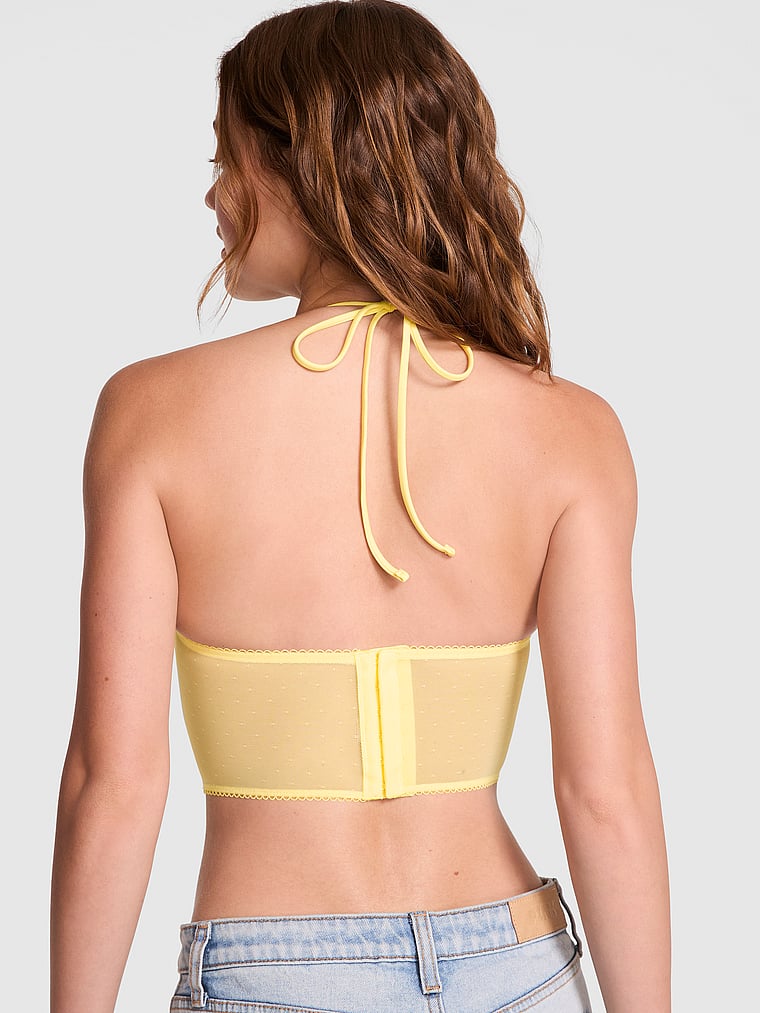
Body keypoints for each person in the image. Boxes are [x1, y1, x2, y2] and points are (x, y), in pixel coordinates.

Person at [49, 1, 671, 1010]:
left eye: (227, 156)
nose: (213, 193)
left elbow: (111, 785)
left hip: (272, 968)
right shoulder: (573, 429)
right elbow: (606, 790)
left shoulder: (152, 412)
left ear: (304, 164)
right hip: (514, 961)